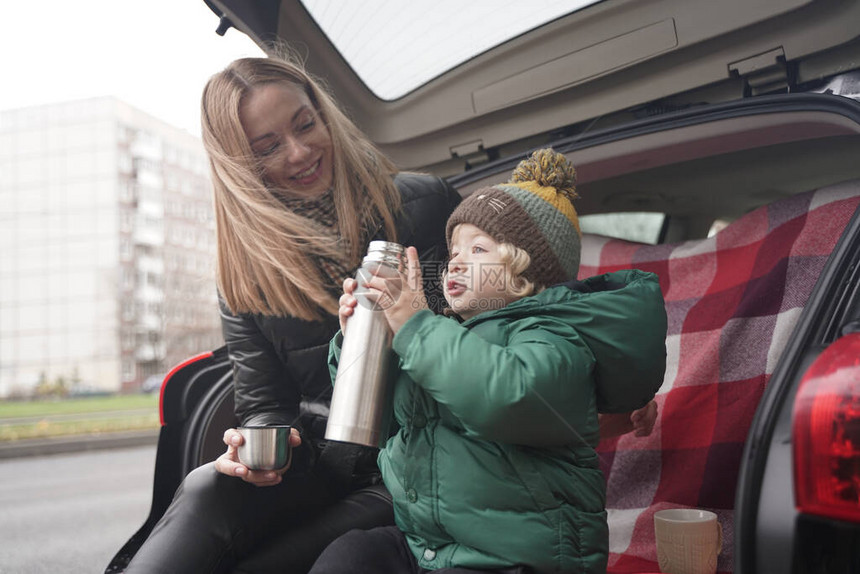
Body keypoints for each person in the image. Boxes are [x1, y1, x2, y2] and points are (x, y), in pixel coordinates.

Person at [121, 53, 461, 574]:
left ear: (323, 114)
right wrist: (257, 444)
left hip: (422, 462)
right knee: (205, 484)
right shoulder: (243, 272)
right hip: (323, 464)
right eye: (268, 147)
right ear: (240, 166)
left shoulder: (424, 206)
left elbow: (485, 337)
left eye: (305, 124)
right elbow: (266, 404)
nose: (301, 152)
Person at [313, 149, 668, 574]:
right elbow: (392, 418)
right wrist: (360, 341)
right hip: (430, 547)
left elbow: (505, 395)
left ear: (528, 275)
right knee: (350, 556)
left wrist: (415, 326)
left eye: (478, 249)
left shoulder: (555, 337)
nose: (455, 261)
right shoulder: (445, 336)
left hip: (519, 558)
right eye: (454, 250)